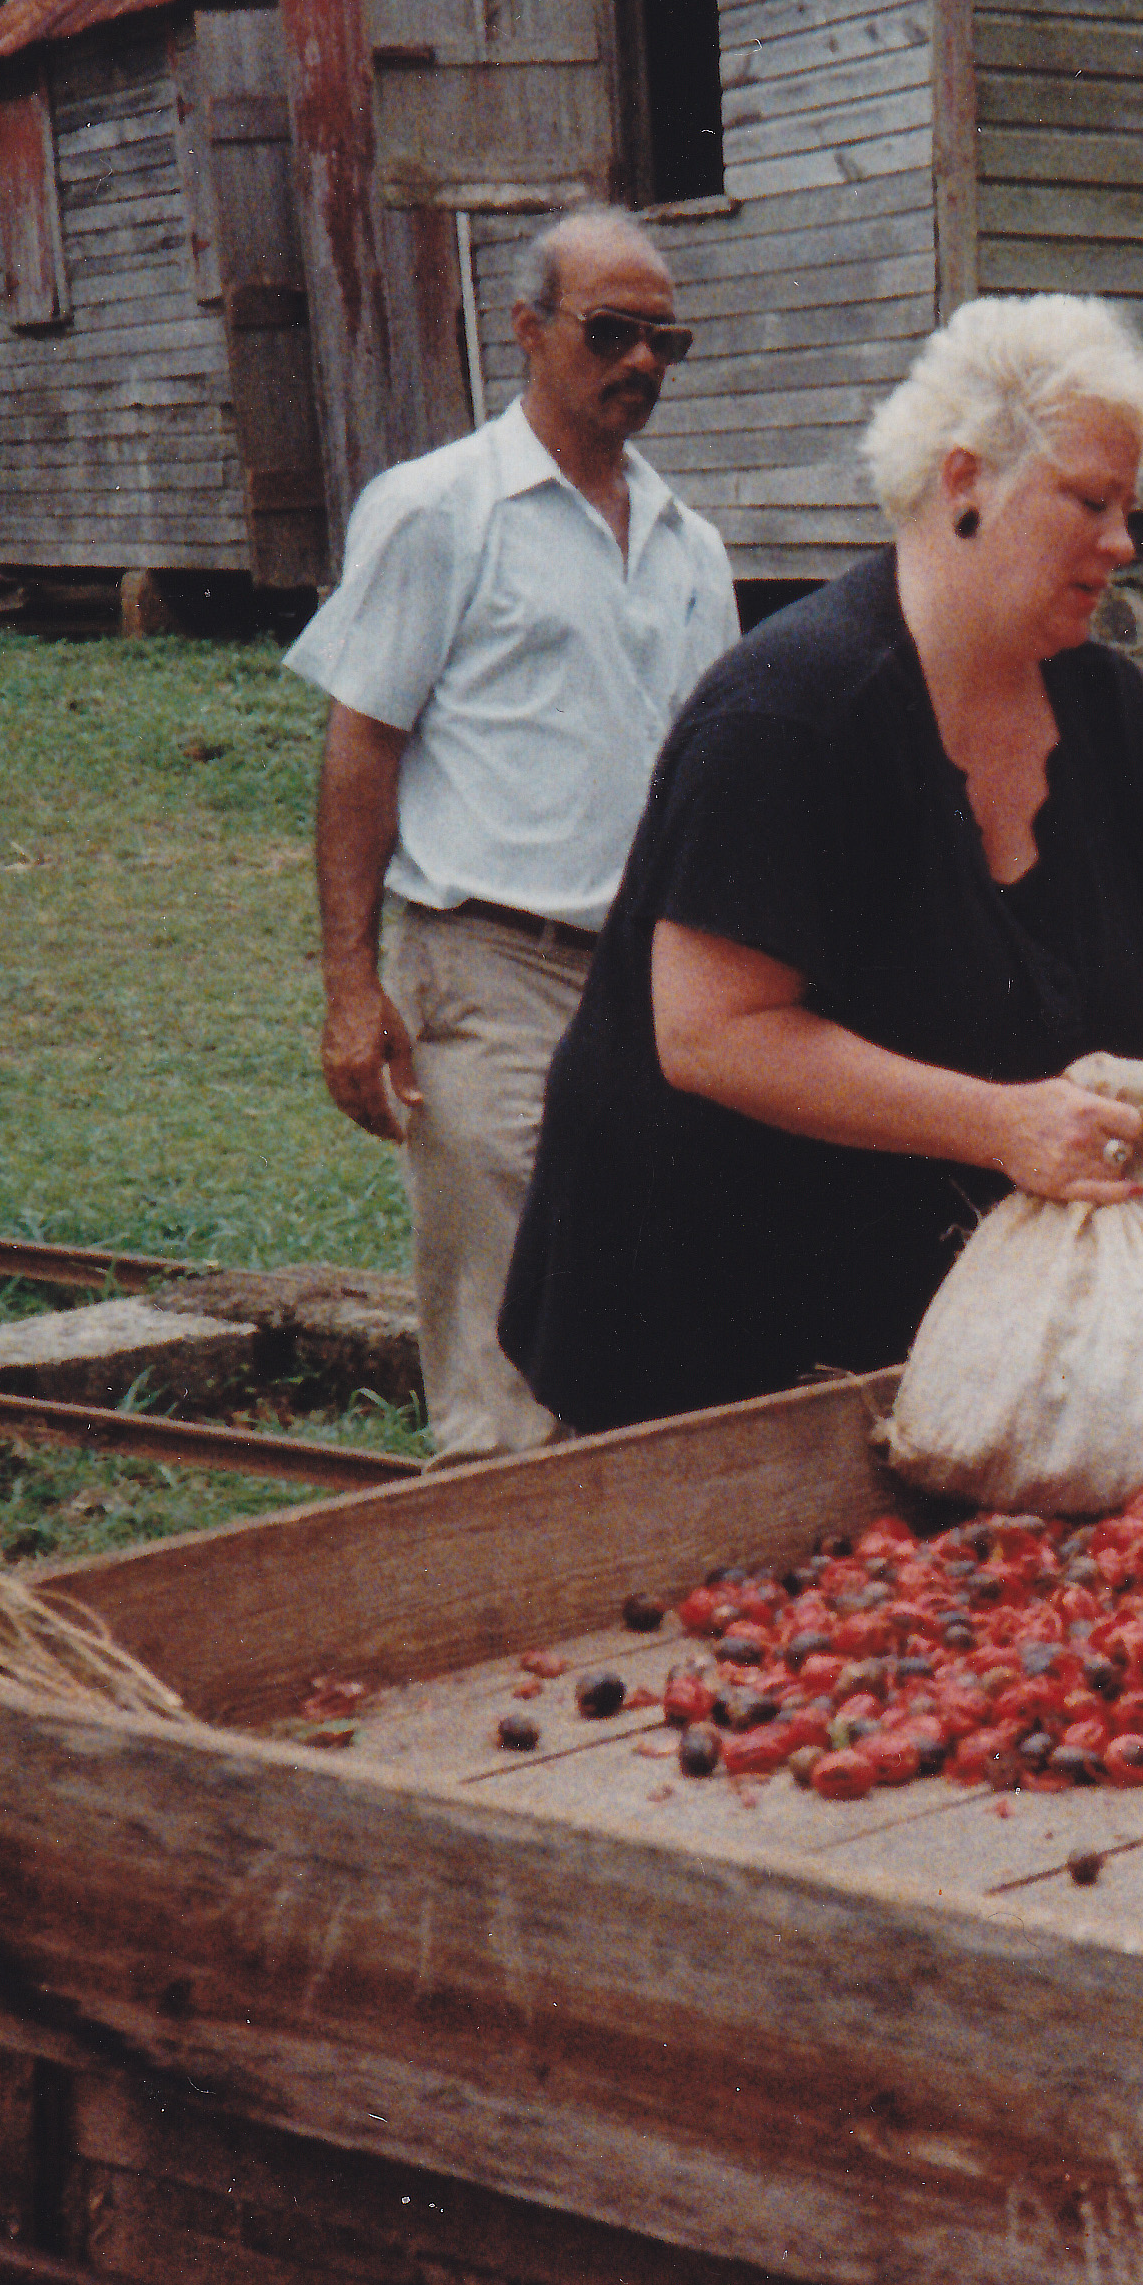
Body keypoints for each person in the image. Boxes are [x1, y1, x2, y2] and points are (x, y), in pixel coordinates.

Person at [495, 294, 1143, 1439]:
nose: (1123, 543)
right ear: (965, 478)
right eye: (1090, 500)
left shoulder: (1110, 710)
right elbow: (711, 1032)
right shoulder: (790, 712)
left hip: (941, 1318)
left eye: (1128, 507)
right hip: (700, 1318)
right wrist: (998, 1122)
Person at [287, 204, 736, 1461]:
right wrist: (349, 985)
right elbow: (361, 744)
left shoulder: (691, 547)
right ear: (529, 331)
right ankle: (492, 1586)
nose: (640, 363)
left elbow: (714, 773)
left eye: (665, 340)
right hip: (487, 964)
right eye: (610, 332)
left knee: (650, 1298)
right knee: (499, 1333)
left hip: (657, 983)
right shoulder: (439, 510)